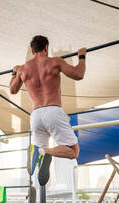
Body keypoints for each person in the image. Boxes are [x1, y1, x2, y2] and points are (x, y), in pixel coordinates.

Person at [9, 35, 86, 186]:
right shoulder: (54, 62)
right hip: (53, 111)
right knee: (73, 152)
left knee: (42, 146)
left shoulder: (23, 69)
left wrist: (14, 72)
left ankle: (38, 150)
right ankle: (43, 152)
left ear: (32, 51)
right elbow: (78, 74)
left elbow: (13, 89)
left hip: (36, 116)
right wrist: (82, 56)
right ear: (46, 48)